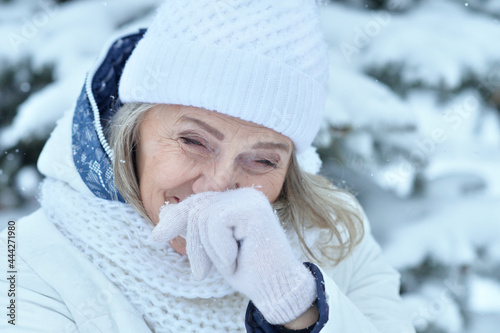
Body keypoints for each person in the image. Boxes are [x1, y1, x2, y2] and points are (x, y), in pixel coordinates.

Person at [0, 0, 415, 332]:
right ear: (132, 130)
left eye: (262, 160)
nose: (218, 186)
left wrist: (296, 304)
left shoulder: (337, 241)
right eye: (194, 141)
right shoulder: (24, 264)